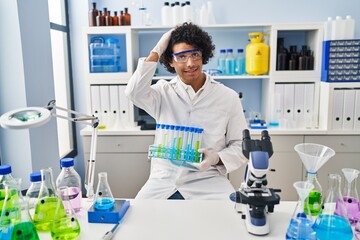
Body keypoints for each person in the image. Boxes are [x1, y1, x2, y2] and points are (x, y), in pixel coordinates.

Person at [125, 22, 247, 200]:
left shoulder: (228, 97)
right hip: (163, 180)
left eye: (195, 55)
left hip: (209, 180)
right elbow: (133, 92)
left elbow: (240, 146)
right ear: (170, 61)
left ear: (203, 56)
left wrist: (215, 158)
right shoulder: (162, 92)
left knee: (231, 219)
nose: (190, 63)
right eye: (181, 57)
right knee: (139, 218)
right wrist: (157, 50)